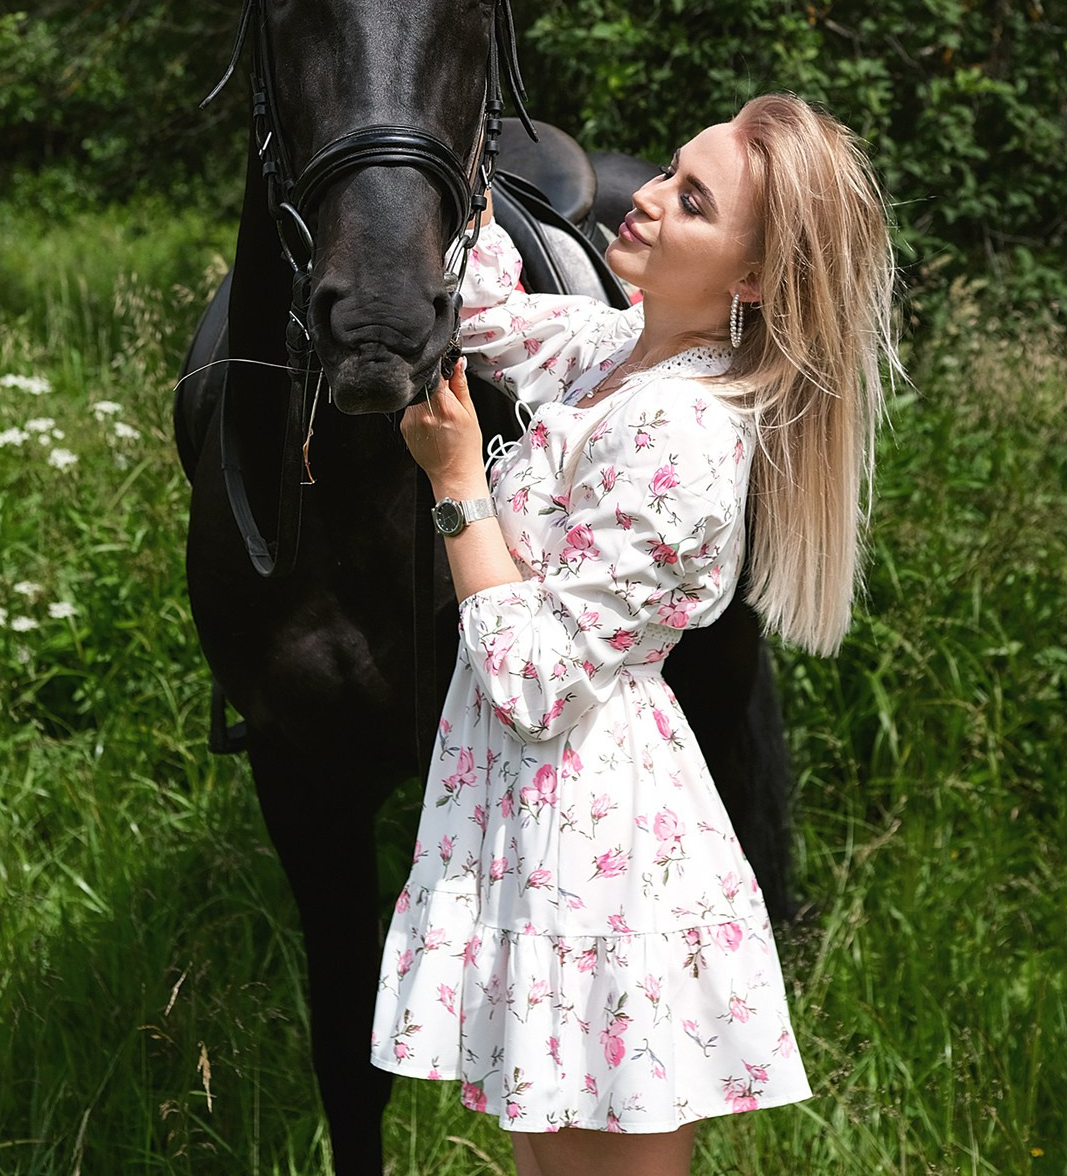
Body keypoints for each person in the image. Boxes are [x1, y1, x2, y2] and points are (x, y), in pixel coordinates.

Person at [370, 92, 901, 1174]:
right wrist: (433, 136)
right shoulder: (617, 353)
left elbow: (528, 677)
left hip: (595, 848)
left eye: (691, 203)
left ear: (750, 279)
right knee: (542, 1162)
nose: (648, 200)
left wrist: (459, 485)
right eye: (666, 171)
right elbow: (481, 312)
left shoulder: (684, 438)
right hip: (538, 822)